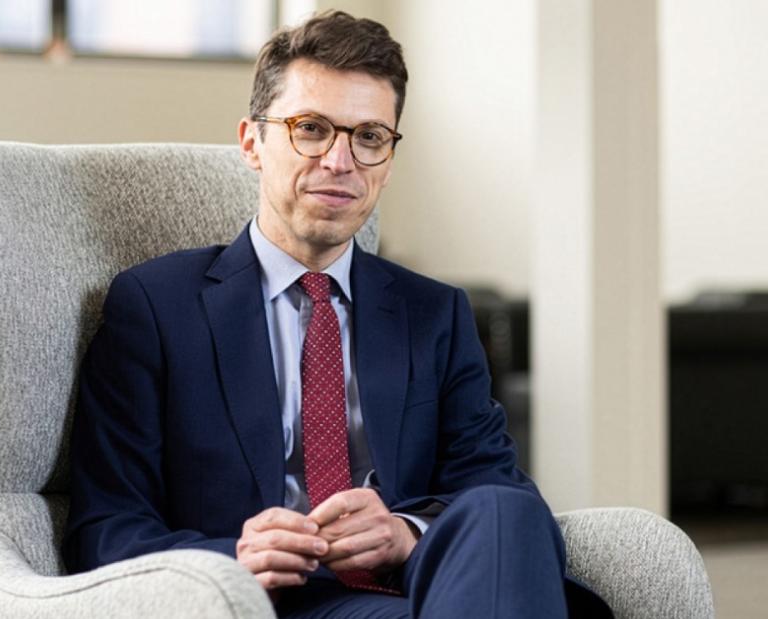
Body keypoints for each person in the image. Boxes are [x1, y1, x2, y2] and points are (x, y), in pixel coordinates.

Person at [63, 10, 612, 618]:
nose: (340, 160)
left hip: (426, 591)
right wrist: (235, 559)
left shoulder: (435, 313)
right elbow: (106, 528)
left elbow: (500, 494)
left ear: (389, 160)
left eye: (369, 137)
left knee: (504, 507)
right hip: (274, 602)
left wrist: (404, 533)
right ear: (251, 143)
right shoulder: (157, 306)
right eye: (311, 129)